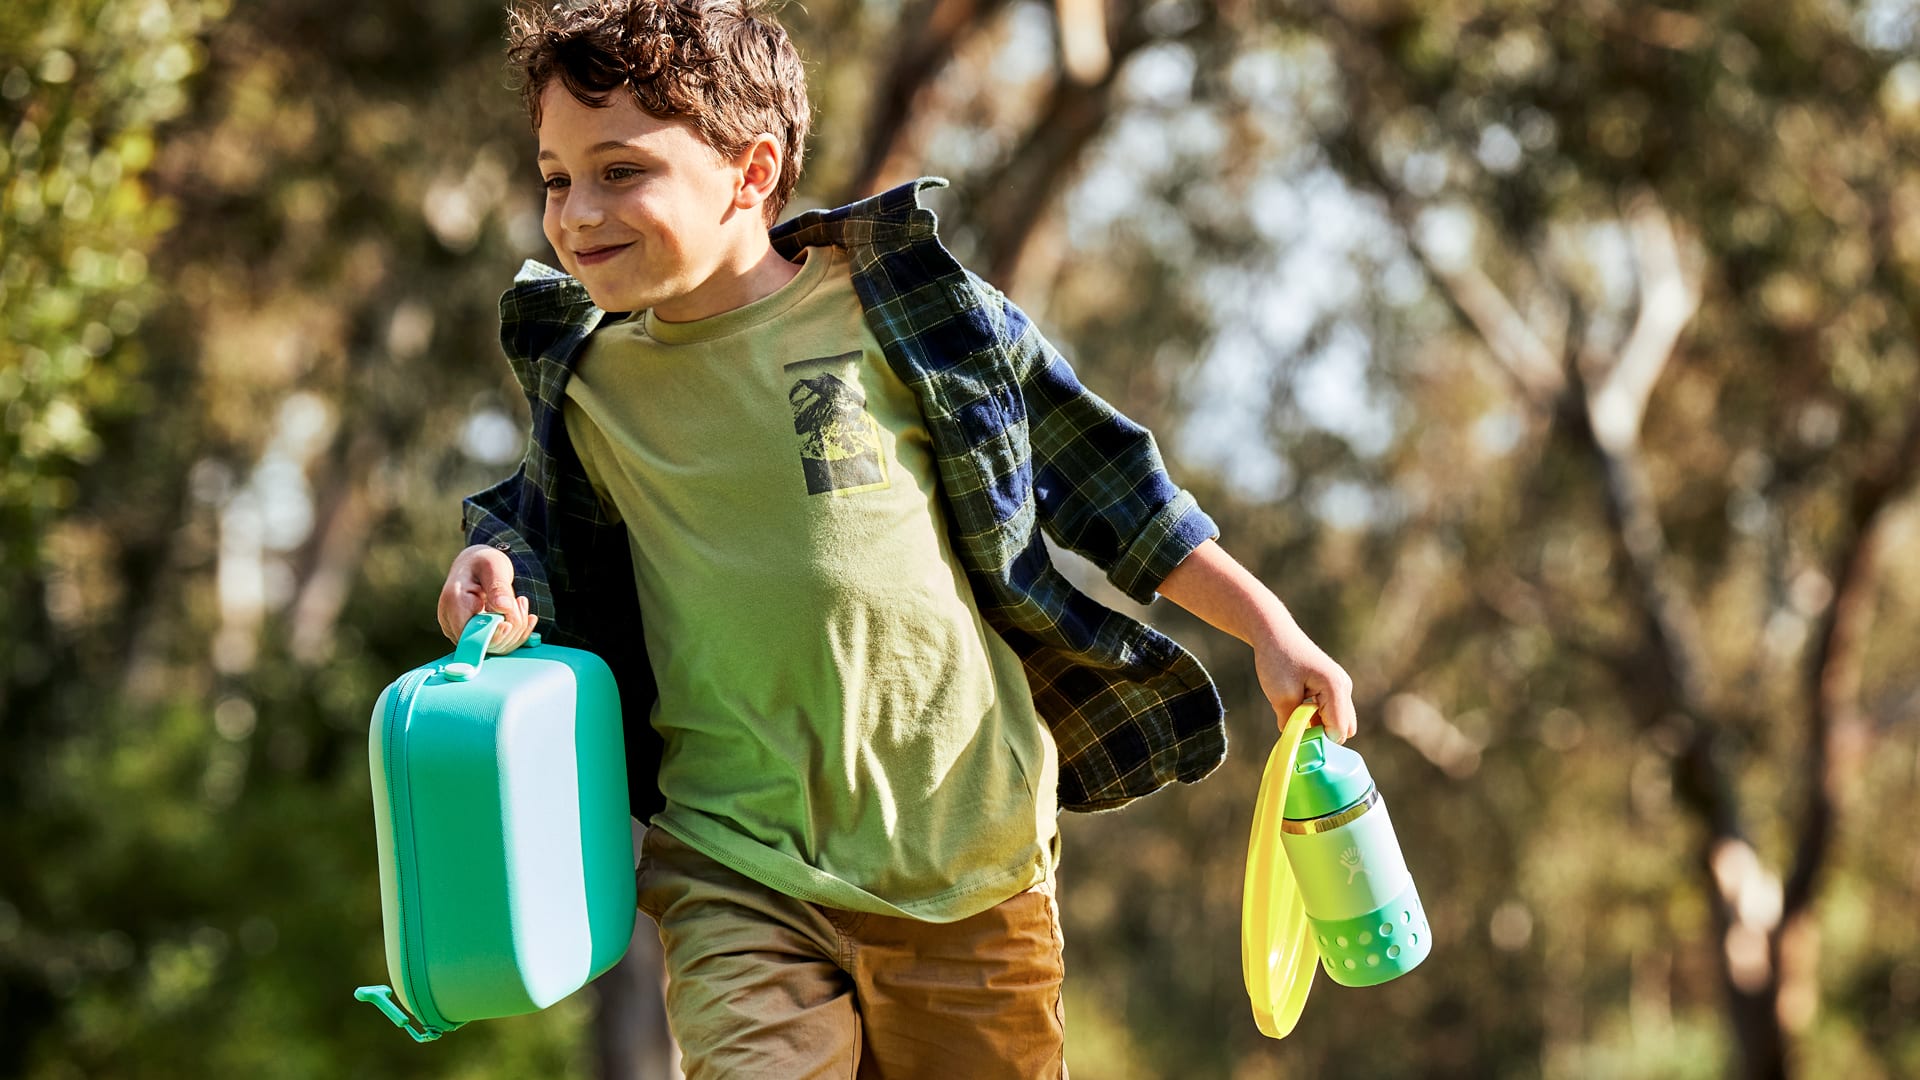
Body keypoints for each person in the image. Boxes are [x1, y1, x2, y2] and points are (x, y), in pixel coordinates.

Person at [435, 0, 1355, 1074]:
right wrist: (488, 573)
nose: (577, 214)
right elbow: (529, 535)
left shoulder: (905, 316)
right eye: (556, 179)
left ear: (750, 172)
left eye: (620, 171)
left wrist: (1269, 628)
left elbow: (1110, 483)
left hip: (972, 869)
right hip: (738, 868)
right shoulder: (589, 384)